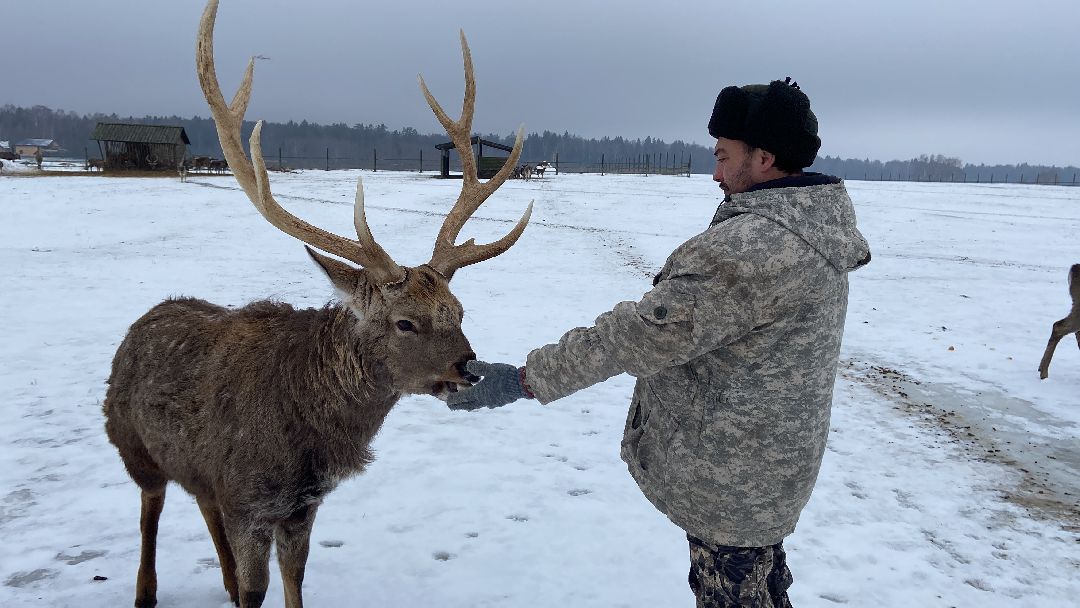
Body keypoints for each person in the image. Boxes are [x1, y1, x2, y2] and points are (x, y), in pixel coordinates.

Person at [448, 78, 870, 607]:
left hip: (735, 482)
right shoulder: (807, 226)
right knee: (758, 586)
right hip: (761, 476)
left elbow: (640, 335)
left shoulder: (758, 246)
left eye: (723, 155)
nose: (716, 172)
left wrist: (524, 380)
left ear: (764, 158)